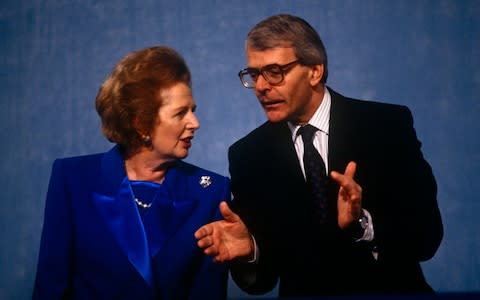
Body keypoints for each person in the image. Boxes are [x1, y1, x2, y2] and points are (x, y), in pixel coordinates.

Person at [195, 14, 443, 297]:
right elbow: (261, 282)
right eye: (254, 74)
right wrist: (251, 249)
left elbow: (427, 236)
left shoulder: (386, 126)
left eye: (274, 71)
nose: (262, 86)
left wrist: (362, 223)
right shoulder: (249, 155)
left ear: (314, 71)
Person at [33, 46, 231, 300]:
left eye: (193, 110)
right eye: (181, 113)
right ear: (141, 123)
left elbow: (208, 294)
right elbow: (50, 288)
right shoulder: (71, 179)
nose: (195, 123)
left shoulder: (212, 191)